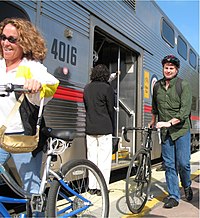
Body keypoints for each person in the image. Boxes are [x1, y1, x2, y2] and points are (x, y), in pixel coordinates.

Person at [0, 17, 59, 195]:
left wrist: (37, 85)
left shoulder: (30, 67)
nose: (6, 43)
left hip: (22, 137)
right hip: (0, 135)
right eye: (3, 37)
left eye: (12, 39)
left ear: (23, 43)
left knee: (32, 193)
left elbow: (51, 83)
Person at [149, 54, 193, 208]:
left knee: (183, 163)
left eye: (171, 68)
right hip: (166, 132)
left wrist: (169, 123)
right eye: (166, 68)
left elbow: (185, 111)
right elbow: (155, 107)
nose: (168, 70)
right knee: (169, 164)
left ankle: (187, 185)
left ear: (177, 70)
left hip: (181, 130)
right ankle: (174, 196)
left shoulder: (184, 85)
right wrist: (153, 121)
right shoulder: (157, 86)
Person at [83, 64, 115, 196]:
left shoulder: (87, 88)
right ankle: (102, 187)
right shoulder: (107, 88)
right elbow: (110, 109)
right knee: (104, 159)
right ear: (106, 75)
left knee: (92, 158)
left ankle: (92, 186)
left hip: (90, 127)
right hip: (104, 127)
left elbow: (86, 106)